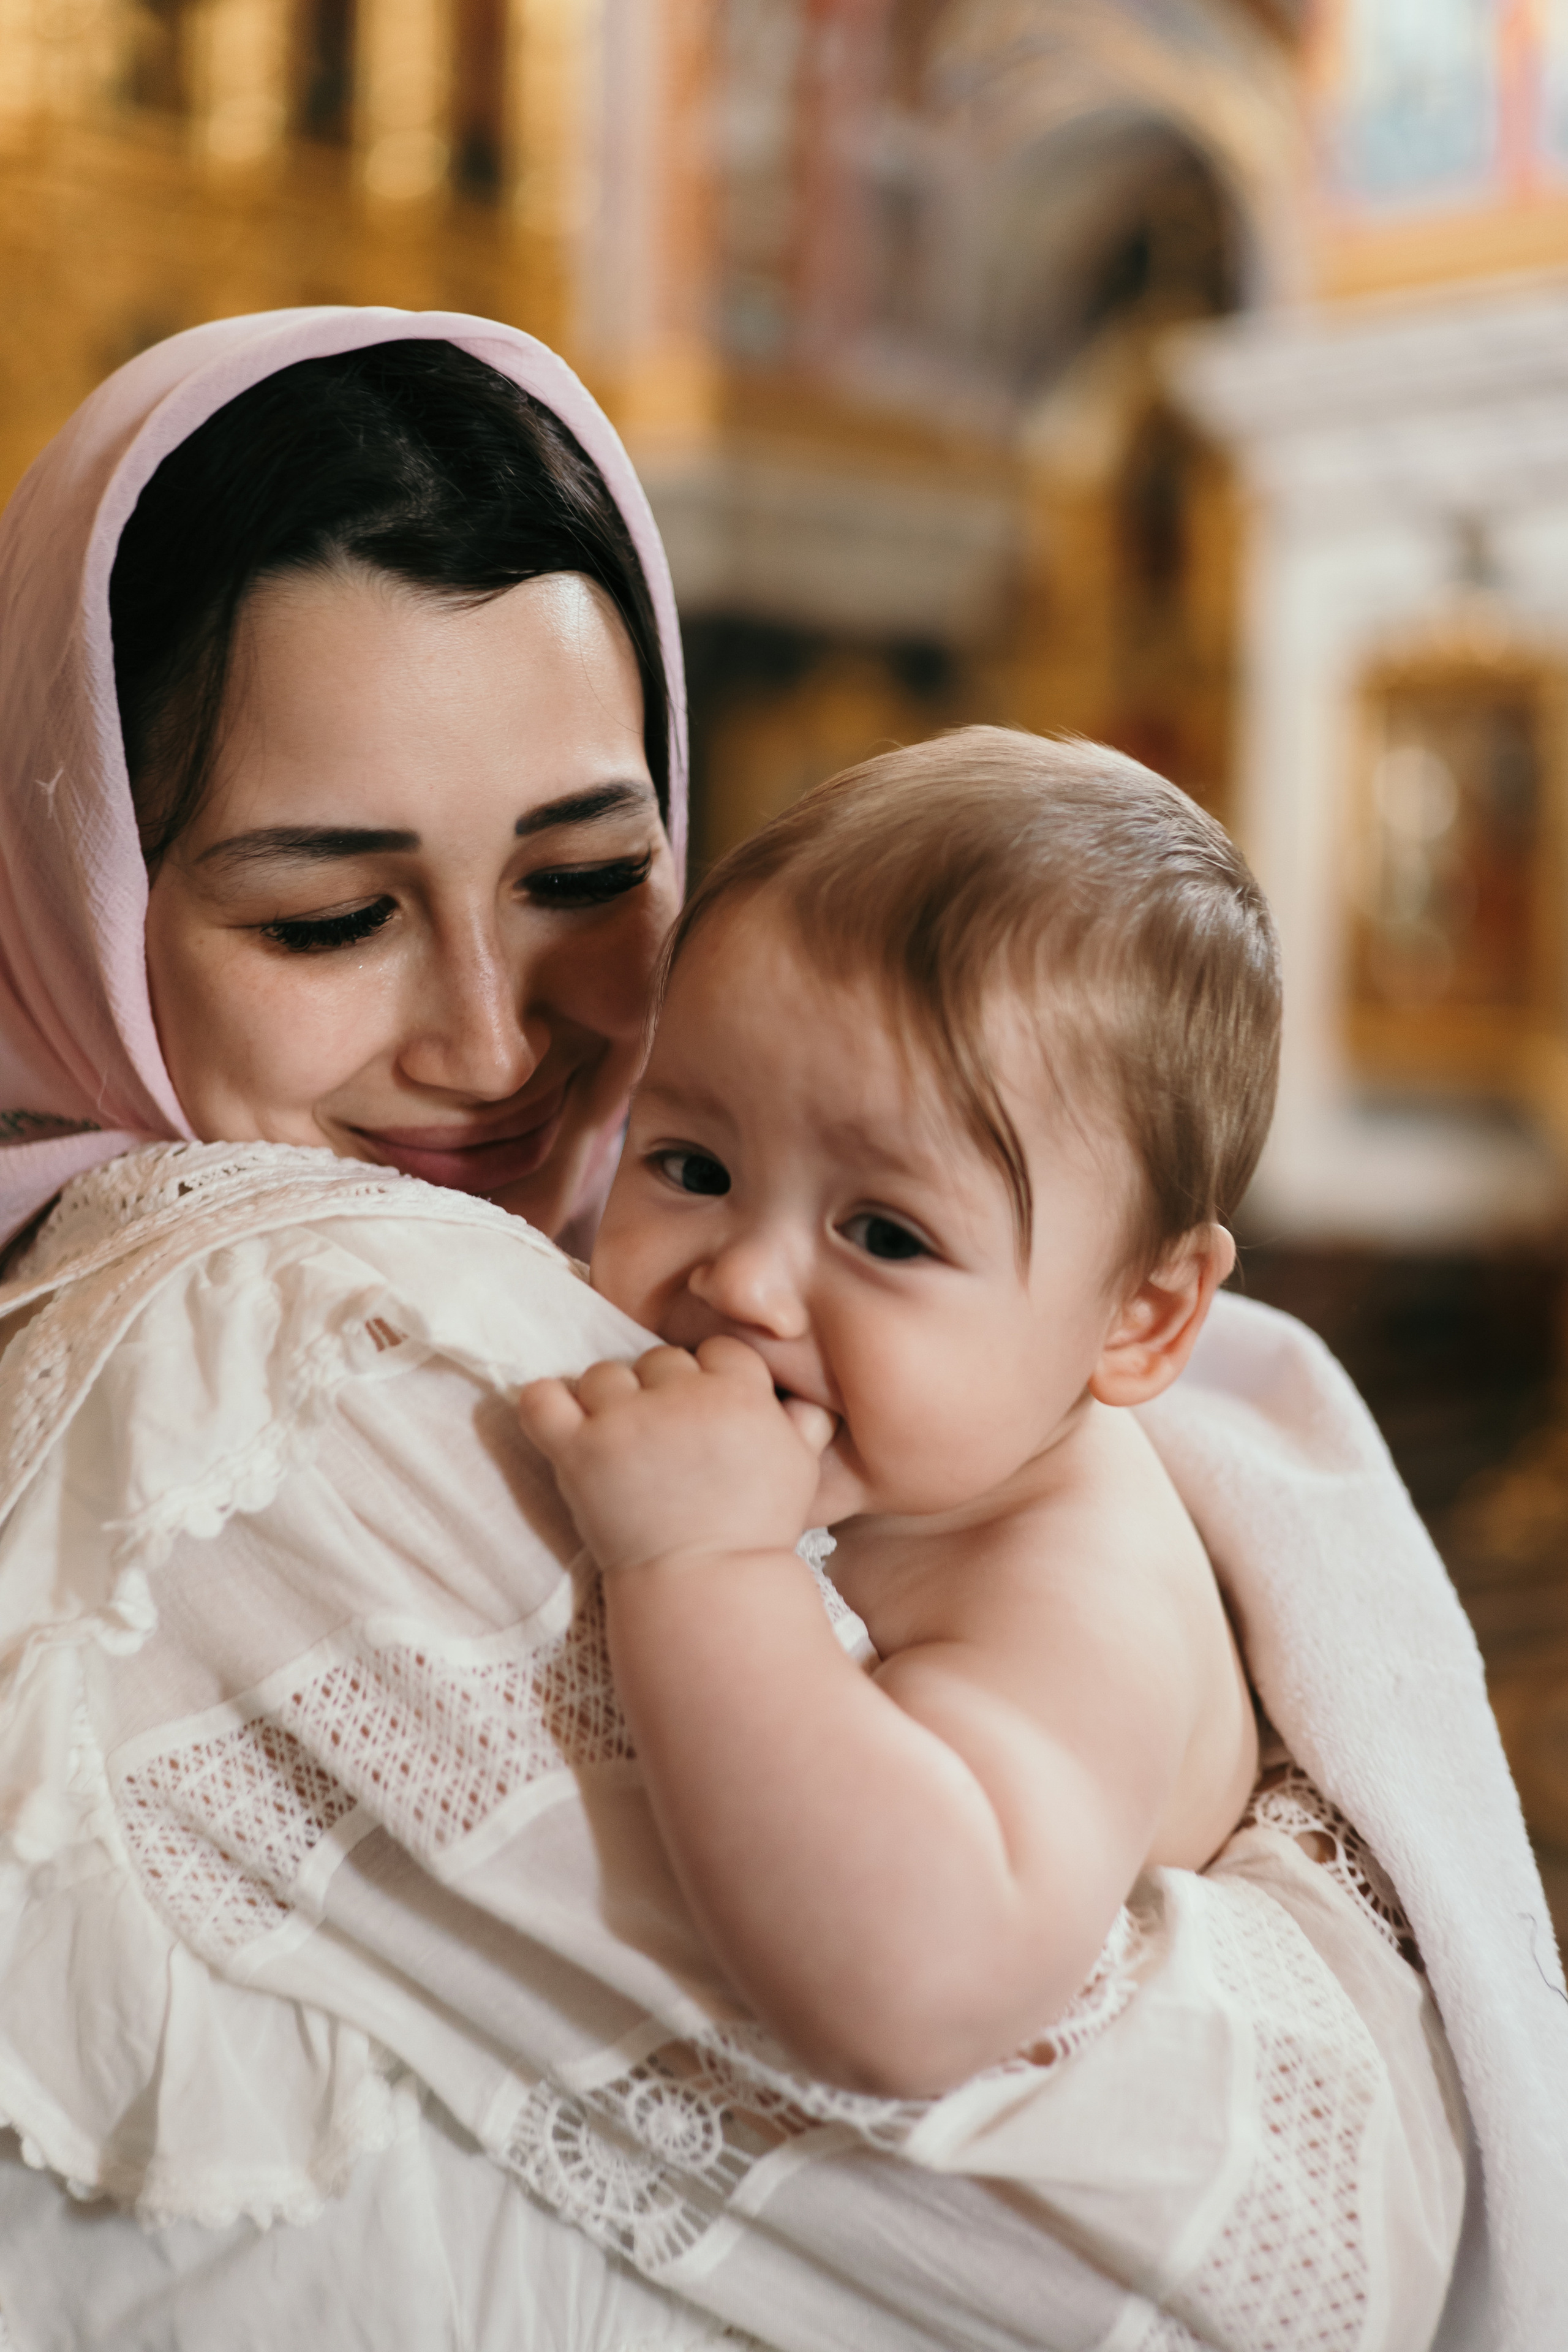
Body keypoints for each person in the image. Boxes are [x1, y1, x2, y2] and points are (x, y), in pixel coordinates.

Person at [0, 308, 1561, 2352]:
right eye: (328, 918)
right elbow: (1227, 2251)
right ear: (79, 882)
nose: (493, 1041)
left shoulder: (862, 1418)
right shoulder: (270, 1344)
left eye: (583, 879)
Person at [519, 732, 1273, 2094]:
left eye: (883, 1231)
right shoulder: (888, 1426)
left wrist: (704, 1565)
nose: (739, 1279)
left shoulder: (1070, 1584)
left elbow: (921, 1993)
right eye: (690, 1164)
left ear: (1138, 1318)